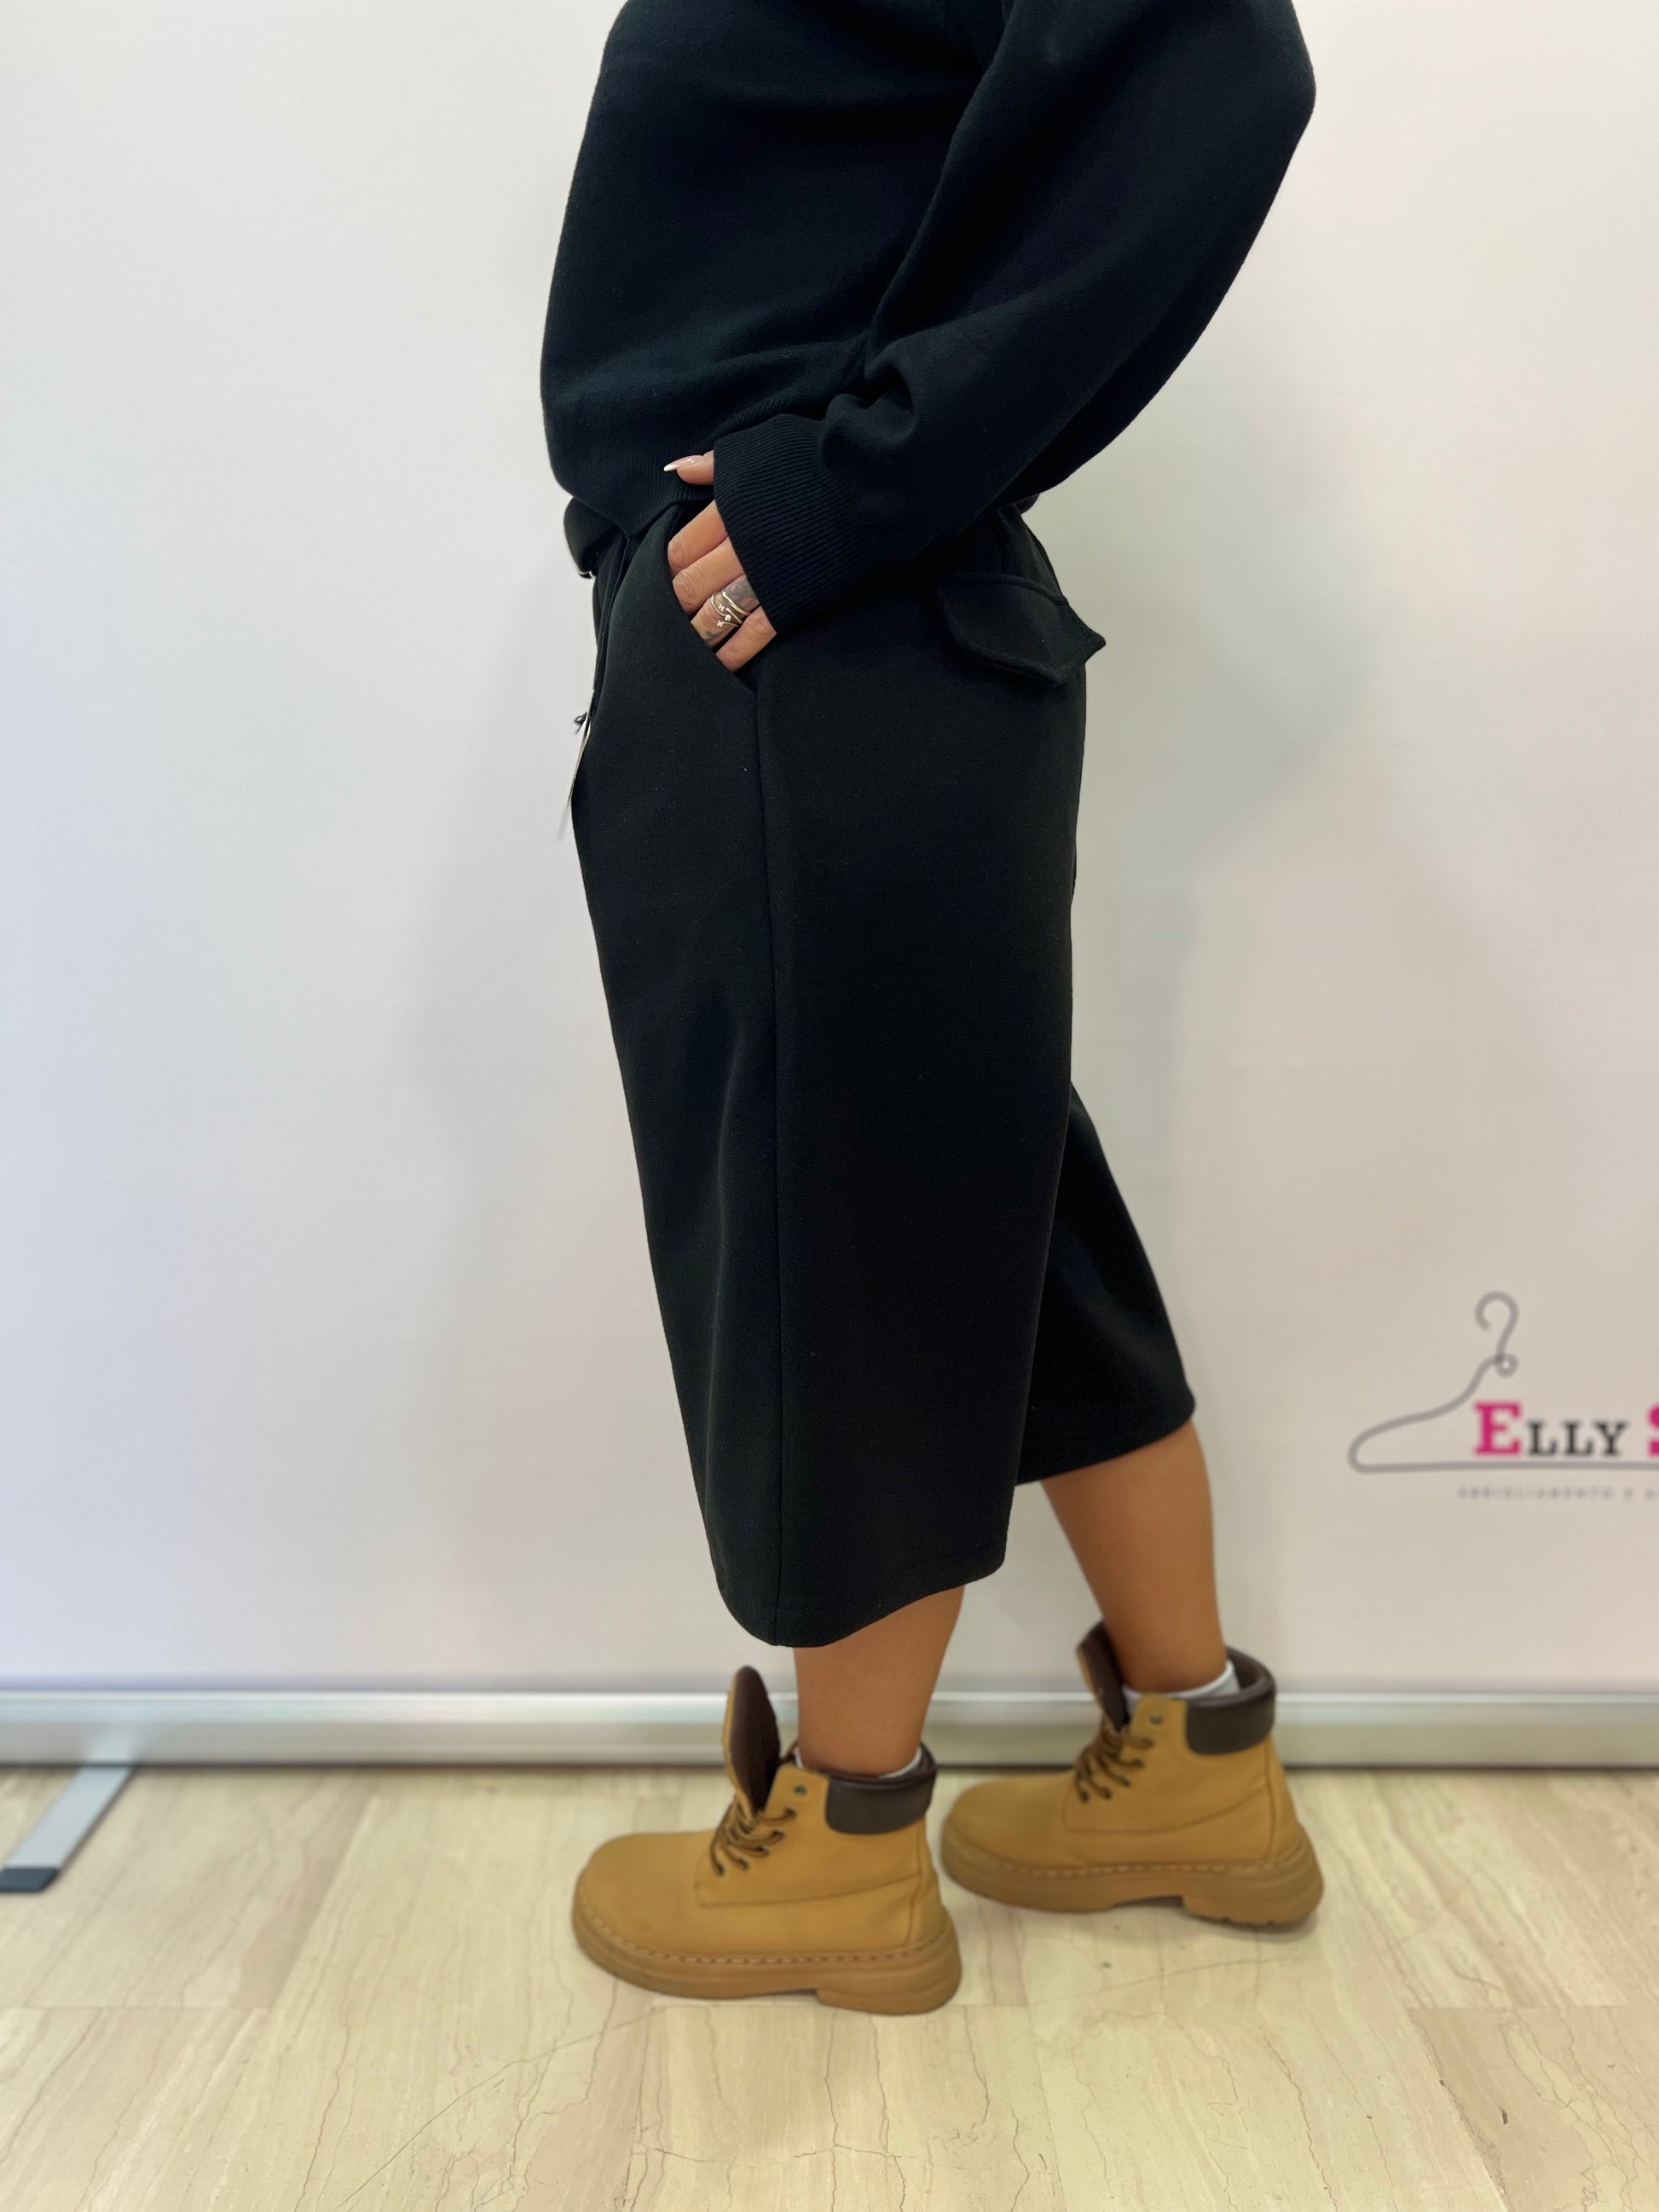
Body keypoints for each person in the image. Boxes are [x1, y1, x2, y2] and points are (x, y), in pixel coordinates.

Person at [541, 0, 1321, 2013]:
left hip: (820, 639)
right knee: (996, 1215)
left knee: (851, 1235)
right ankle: (1199, 1759)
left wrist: (851, 482)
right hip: (861, 633)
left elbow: (1230, 54)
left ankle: (844, 1844)